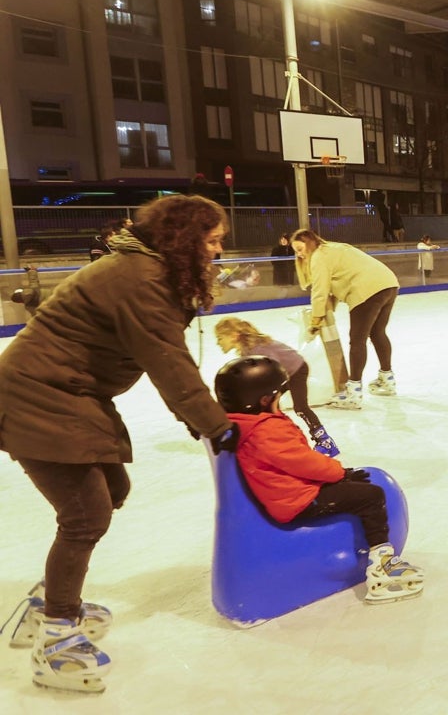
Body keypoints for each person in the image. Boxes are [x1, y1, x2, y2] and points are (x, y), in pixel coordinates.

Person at [0, 194, 238, 693]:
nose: (218, 250)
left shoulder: (145, 270)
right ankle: (57, 637)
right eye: (212, 241)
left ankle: (45, 605)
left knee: (112, 489)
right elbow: (167, 359)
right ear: (184, 239)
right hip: (36, 398)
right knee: (86, 515)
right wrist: (216, 425)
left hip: (68, 394)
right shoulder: (140, 278)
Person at [214, 356, 423, 603]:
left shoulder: (244, 423)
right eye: (280, 396)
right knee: (371, 496)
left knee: (353, 487)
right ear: (265, 400)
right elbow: (304, 462)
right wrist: (340, 473)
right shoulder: (267, 431)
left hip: (288, 491)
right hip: (297, 500)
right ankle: (383, 567)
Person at [291, 229, 400, 410]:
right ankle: (387, 380)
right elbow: (334, 287)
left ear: (309, 243)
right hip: (388, 283)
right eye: (296, 251)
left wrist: (315, 321)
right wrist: (327, 312)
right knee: (378, 333)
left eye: (300, 248)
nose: (299, 254)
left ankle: (353, 392)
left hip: (366, 290)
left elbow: (320, 291)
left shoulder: (319, 256)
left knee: (357, 340)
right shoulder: (333, 248)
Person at [214, 317, 338, 457]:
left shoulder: (257, 349)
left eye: (220, 338)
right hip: (283, 373)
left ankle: (326, 442)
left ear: (233, 336)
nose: (218, 343)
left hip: (296, 370)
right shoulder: (246, 350)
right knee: (268, 409)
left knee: (300, 407)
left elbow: (274, 369)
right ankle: (281, 438)